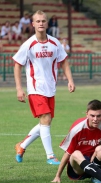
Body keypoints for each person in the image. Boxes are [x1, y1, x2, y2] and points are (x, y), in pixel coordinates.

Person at [13, 10, 75, 165]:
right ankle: (50, 156)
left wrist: (70, 80)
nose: (41, 23)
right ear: (33, 24)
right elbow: (17, 65)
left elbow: (64, 62)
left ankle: (22, 145)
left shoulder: (55, 43)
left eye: (43, 21)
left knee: (45, 122)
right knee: (46, 119)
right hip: (35, 89)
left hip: (50, 89)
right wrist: (19, 89)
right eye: (38, 21)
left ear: (47, 23)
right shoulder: (28, 44)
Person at [51, 99, 101, 183]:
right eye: (92, 116)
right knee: (75, 153)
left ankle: (95, 177)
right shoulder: (77, 128)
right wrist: (57, 176)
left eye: (99, 116)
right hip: (78, 168)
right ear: (86, 114)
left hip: (95, 162)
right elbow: (67, 153)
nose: (95, 119)